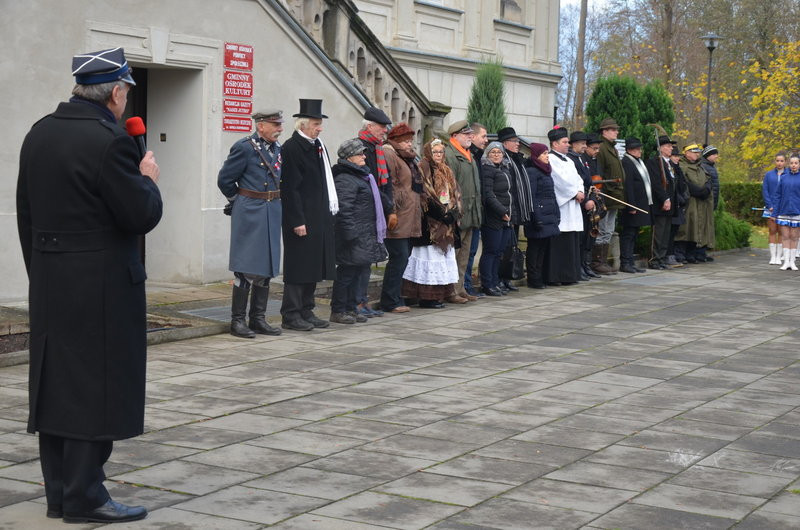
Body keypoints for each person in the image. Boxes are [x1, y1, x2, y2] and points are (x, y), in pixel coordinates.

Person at [16, 48, 161, 523]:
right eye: (126, 94)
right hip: (101, 284)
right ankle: (86, 496)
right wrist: (148, 180)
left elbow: (26, 216)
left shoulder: (40, 132)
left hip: (52, 279)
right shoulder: (111, 141)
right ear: (117, 93)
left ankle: (60, 495)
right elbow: (139, 215)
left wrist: (44, 272)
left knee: (57, 387)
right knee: (94, 391)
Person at [217, 110, 284, 338]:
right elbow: (225, 179)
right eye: (275, 124)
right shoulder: (245, 147)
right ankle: (238, 321)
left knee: (266, 266)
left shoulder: (277, 149)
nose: (279, 129)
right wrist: (238, 202)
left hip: (272, 210)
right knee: (245, 266)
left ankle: (258, 319)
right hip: (250, 210)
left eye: (280, 124)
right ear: (261, 125)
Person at [279, 99, 337, 330]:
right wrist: (297, 220)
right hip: (301, 218)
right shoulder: (292, 148)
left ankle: (307, 310)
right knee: (298, 267)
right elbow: (290, 188)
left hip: (319, 216)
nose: (320, 127)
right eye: (315, 123)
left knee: (314, 265)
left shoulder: (318, 146)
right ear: (302, 125)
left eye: (320, 123)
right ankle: (291, 314)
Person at [329, 139, 387, 323]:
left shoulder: (361, 176)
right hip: (353, 236)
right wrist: (350, 234)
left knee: (359, 273)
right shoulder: (345, 179)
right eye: (360, 153)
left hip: (364, 234)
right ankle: (338, 310)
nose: (364, 156)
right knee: (347, 274)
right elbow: (344, 210)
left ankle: (351, 308)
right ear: (349, 157)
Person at [403, 139, 462, 306]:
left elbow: (455, 192)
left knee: (442, 261)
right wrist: (441, 214)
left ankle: (439, 295)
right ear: (429, 152)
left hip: (446, 222)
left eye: (441, 152)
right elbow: (424, 193)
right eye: (435, 152)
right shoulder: (423, 167)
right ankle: (426, 297)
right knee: (429, 259)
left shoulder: (446, 170)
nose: (438, 155)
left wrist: (453, 212)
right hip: (430, 221)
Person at [380, 122, 424, 311]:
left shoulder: (408, 158)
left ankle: (395, 297)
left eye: (410, 141)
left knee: (403, 259)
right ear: (396, 141)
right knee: (399, 257)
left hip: (409, 216)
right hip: (397, 216)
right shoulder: (390, 154)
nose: (409, 145)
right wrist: (392, 211)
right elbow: (388, 184)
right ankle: (390, 300)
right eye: (406, 141)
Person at [356, 107, 395, 316]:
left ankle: (362, 302)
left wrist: (390, 208)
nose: (384, 131)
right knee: (361, 259)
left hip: (379, 209)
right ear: (369, 126)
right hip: (367, 209)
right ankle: (357, 302)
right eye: (381, 127)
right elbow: (370, 183)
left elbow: (386, 182)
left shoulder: (378, 148)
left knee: (368, 258)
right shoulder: (362, 147)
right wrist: (387, 205)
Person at [445, 120, 481, 301]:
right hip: (459, 214)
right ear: (455, 136)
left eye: (470, 134)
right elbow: (449, 186)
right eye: (466, 134)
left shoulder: (468, 154)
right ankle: (450, 291)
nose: (470, 137)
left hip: (470, 213)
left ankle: (460, 289)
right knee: (455, 254)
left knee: (465, 255)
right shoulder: (450, 155)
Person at [496, 127, 533, 291]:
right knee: (503, 248)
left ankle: (507, 278)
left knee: (512, 247)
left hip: (518, 211)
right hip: (508, 210)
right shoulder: (503, 161)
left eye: (518, 141)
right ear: (505, 143)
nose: (518, 144)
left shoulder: (517, 159)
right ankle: (499, 278)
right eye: (514, 141)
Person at [547, 127, 584, 285]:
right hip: (563, 205)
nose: (568, 144)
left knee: (572, 242)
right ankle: (558, 276)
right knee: (560, 244)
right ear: (554, 144)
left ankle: (571, 275)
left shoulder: (569, 160)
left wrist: (581, 190)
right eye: (565, 142)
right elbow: (558, 180)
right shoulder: (550, 159)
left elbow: (578, 179)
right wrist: (574, 193)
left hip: (574, 205)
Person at [478, 142, 516, 296]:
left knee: (500, 251)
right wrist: (501, 211)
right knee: (491, 251)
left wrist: (511, 215)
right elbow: (488, 195)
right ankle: (487, 284)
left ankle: (495, 281)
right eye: (492, 152)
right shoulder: (487, 169)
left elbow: (510, 193)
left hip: (506, 218)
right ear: (487, 154)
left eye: (499, 152)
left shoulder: (505, 168)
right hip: (493, 217)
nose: (496, 154)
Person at [524, 143, 560, 288]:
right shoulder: (533, 172)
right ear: (536, 156)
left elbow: (551, 195)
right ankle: (533, 278)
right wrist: (536, 217)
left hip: (548, 215)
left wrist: (556, 213)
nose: (547, 156)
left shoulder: (546, 171)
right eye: (544, 154)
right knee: (534, 248)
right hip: (538, 216)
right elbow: (531, 196)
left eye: (547, 153)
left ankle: (539, 275)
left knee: (543, 248)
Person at [592, 117, 625, 274]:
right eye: (613, 129)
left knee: (609, 230)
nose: (616, 132)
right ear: (604, 132)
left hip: (615, 195)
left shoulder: (612, 148)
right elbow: (600, 175)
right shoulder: (603, 148)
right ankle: (598, 262)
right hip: (606, 196)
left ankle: (603, 261)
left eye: (616, 129)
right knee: (603, 229)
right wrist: (604, 194)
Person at [567, 131, 599, 280]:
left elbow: (589, 182)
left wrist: (592, 197)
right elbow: (575, 183)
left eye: (585, 143)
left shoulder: (582, 159)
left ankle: (584, 265)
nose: (584, 146)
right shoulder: (570, 159)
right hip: (579, 203)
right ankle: (578, 267)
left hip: (587, 200)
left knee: (587, 236)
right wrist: (587, 200)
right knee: (580, 238)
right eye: (582, 143)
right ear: (573, 144)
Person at [675, 143, 714, 263]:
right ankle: (681, 254)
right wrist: (697, 191)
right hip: (690, 202)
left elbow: (708, 180)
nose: (697, 154)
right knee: (686, 229)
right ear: (686, 153)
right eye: (694, 152)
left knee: (697, 228)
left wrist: (706, 189)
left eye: (698, 152)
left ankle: (692, 254)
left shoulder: (701, 167)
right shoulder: (681, 166)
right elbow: (684, 183)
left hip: (701, 203)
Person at [619, 137, 653, 273]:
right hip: (633, 205)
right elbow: (629, 186)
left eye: (639, 148)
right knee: (628, 234)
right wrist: (631, 205)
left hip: (641, 203)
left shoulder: (638, 161)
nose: (640, 151)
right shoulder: (627, 162)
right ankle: (625, 262)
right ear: (629, 150)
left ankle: (631, 262)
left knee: (634, 234)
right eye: (637, 149)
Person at [646, 135, 679, 270]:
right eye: (667, 146)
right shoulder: (654, 162)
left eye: (671, 146)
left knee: (666, 233)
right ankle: (654, 259)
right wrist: (665, 198)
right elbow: (656, 183)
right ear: (660, 148)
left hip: (670, 203)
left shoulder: (669, 163)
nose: (671, 148)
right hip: (661, 203)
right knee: (658, 233)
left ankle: (662, 257)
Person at [465, 122, 489, 297]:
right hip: (466, 211)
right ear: (472, 137)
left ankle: (466, 285)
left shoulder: (477, 156)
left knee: (472, 251)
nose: (486, 140)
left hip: (476, 211)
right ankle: (464, 285)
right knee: (465, 252)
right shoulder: (468, 155)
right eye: (483, 136)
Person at [775, 153, 800, 270]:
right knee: (785, 236)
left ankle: (792, 262)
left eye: (796, 163)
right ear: (788, 164)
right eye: (792, 163)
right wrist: (775, 212)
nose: (794, 165)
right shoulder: (783, 177)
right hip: (784, 211)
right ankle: (785, 262)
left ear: (799, 164)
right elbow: (778, 195)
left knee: (794, 237)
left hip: (797, 212)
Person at [697, 145, 721, 262]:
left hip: (710, 202)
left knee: (707, 228)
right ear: (708, 155)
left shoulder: (710, 167)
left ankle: (703, 251)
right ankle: (700, 252)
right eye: (714, 154)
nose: (716, 156)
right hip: (705, 202)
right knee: (703, 227)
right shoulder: (704, 166)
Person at [763, 152, 787, 264]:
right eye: (777, 160)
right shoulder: (768, 175)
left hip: (783, 208)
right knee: (772, 231)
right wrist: (770, 205)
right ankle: (773, 257)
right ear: (775, 161)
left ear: (785, 162)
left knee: (782, 232)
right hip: (771, 208)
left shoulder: (789, 175)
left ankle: (779, 256)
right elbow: (765, 191)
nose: (779, 163)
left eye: (782, 161)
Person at [667, 145, 689, 266]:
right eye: (675, 156)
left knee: (674, 230)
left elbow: (682, 185)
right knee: (669, 231)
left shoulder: (677, 168)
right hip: (673, 204)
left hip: (679, 204)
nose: (677, 159)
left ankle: (671, 254)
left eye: (678, 156)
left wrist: (683, 198)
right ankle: (668, 255)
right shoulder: (668, 167)